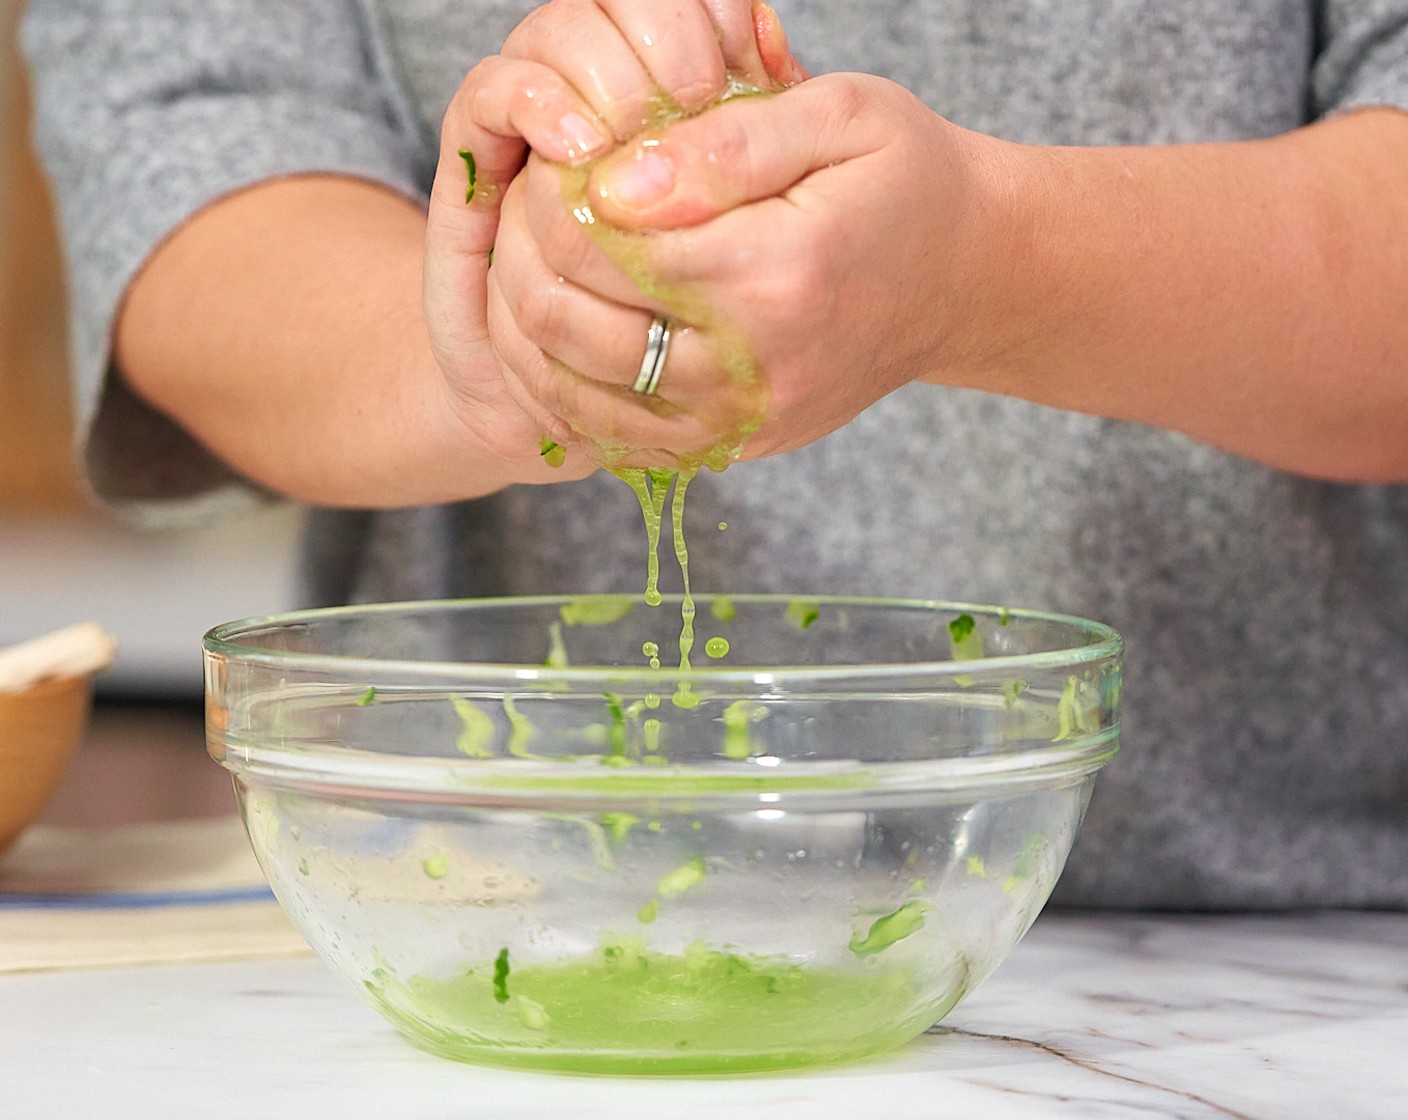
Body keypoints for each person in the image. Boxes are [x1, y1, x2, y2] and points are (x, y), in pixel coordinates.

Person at [21, 1, 1408, 909]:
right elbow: (191, 147)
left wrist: (988, 266)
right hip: (483, 914)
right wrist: (494, 348)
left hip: (1290, 949)